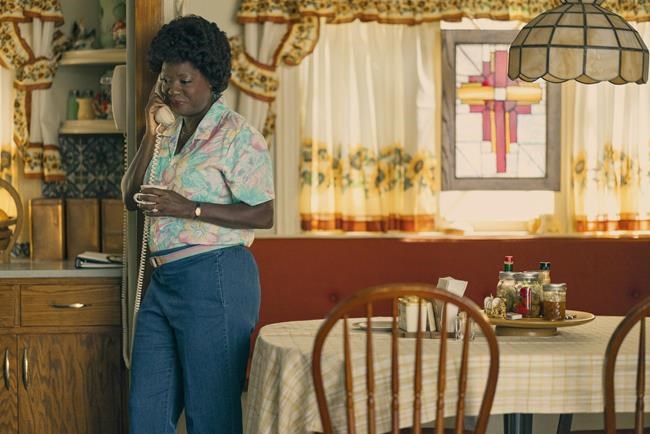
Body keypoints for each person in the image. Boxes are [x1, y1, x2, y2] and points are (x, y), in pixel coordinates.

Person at [121, 15, 274, 434]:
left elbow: (264, 213)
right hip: (163, 282)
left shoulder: (237, 135)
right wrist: (151, 133)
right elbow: (130, 197)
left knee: (211, 417)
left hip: (215, 276)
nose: (174, 89)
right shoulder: (168, 132)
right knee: (146, 414)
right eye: (167, 81)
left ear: (212, 79)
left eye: (184, 81)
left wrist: (190, 208)